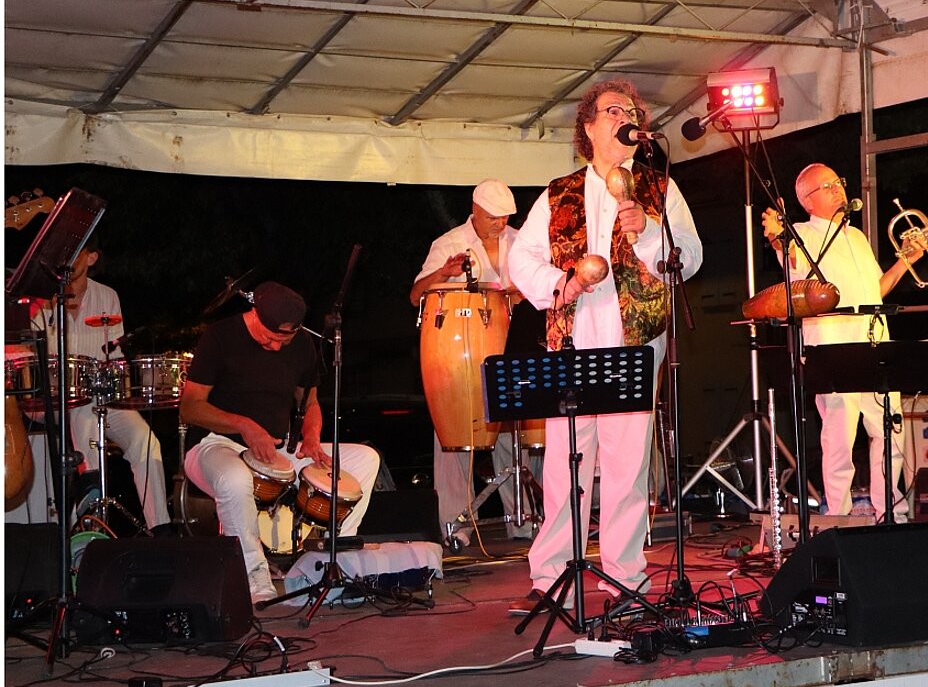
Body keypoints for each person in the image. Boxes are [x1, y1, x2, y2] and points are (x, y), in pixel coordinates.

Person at [505, 78, 703, 614]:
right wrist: (561, 284)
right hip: (572, 336)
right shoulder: (558, 192)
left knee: (626, 463)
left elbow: (690, 254)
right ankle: (550, 579)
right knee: (564, 465)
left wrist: (648, 230)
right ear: (589, 126)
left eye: (632, 110)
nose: (626, 116)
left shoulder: (659, 189)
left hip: (635, 339)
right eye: (614, 109)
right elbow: (519, 261)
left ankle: (624, 579)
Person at [180, 281, 380, 604]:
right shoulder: (219, 337)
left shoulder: (301, 345)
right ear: (255, 314)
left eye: (282, 340)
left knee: (365, 460)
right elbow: (190, 407)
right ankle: (254, 580)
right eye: (269, 337)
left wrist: (312, 436)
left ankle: (328, 563)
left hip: (277, 449)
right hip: (215, 445)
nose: (274, 346)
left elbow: (310, 402)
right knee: (234, 478)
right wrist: (245, 426)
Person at [761, 163, 922, 523]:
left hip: (874, 342)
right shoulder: (801, 233)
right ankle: (838, 515)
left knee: (889, 430)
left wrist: (905, 262)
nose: (837, 189)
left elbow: (875, 291)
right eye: (827, 186)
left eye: (838, 182)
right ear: (807, 200)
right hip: (833, 347)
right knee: (839, 437)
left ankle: (890, 511)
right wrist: (776, 237)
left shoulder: (858, 237)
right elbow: (793, 269)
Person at [410, 179, 534, 543]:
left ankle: (523, 518)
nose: (500, 223)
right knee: (456, 436)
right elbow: (416, 294)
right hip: (460, 348)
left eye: (506, 217)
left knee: (518, 435)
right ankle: (455, 526)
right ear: (475, 211)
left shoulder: (522, 241)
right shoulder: (448, 244)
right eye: (494, 217)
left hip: (514, 343)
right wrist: (442, 274)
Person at [25, 242, 171, 532]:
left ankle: (160, 528)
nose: (65, 256)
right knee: (81, 404)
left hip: (98, 398)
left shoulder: (108, 296)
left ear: (92, 257)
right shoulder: (41, 301)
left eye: (75, 251)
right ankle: (89, 492)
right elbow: (26, 360)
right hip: (49, 403)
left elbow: (112, 355)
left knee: (146, 441)